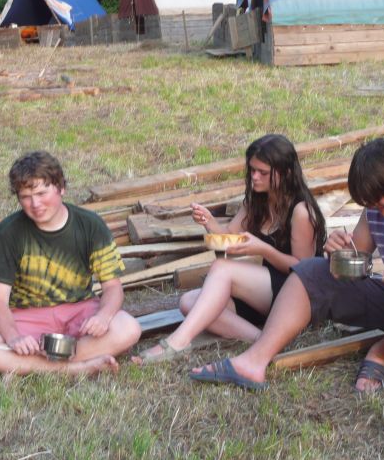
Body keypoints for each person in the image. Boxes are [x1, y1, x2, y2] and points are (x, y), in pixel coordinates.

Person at [188, 138, 384, 391]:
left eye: (381, 202)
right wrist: (337, 252)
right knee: (311, 271)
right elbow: (353, 266)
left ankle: (380, 353)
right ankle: (252, 363)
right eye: (369, 204)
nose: (376, 210)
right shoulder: (376, 209)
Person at [132, 134, 326, 364]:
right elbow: (227, 239)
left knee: (222, 268)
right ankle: (262, 339)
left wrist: (264, 250)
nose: (254, 177)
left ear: (285, 173)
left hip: (298, 296)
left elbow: (304, 270)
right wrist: (208, 221)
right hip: (266, 292)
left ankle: (177, 342)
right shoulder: (257, 202)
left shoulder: (301, 211)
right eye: (252, 170)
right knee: (188, 302)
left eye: (262, 172)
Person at [0, 151, 141, 376]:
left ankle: (32, 366)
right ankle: (75, 368)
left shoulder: (91, 225)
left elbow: (113, 287)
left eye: (41, 193)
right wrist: (13, 337)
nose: (35, 204)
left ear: (61, 188)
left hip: (79, 312)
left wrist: (103, 316)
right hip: (26, 316)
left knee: (128, 328)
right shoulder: (8, 232)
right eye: (25, 197)